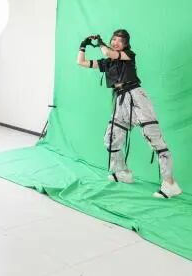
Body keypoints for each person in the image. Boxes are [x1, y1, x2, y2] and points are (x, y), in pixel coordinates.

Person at [77, 29, 182, 198]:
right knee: (111, 138)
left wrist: (100, 43)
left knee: (154, 138)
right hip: (121, 100)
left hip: (136, 97)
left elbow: (108, 52)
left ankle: (170, 183)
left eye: (120, 41)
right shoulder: (107, 63)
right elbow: (81, 62)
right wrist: (83, 45)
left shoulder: (128, 55)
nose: (116, 42)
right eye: (114, 39)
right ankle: (123, 172)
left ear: (125, 44)